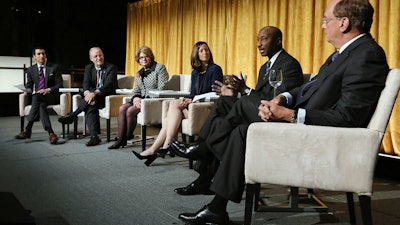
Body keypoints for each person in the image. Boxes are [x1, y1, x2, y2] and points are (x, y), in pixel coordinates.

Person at [172, 0, 389, 224]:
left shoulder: (366, 55)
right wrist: (282, 98)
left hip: (316, 137)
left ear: (343, 23)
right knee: (240, 129)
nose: (323, 26)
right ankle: (217, 208)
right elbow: (307, 88)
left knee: (243, 105)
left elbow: (348, 119)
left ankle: (204, 148)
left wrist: (288, 115)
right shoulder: (343, 54)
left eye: (326, 20)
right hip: (304, 124)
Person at [171, 26, 304, 196]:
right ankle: (203, 172)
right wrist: (236, 91)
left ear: (278, 41)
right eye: (257, 39)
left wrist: (246, 91)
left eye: (264, 39)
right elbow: (259, 97)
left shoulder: (289, 64)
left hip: (273, 119)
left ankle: (202, 149)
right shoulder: (265, 68)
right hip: (257, 113)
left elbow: (276, 102)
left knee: (226, 114)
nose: (259, 44)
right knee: (223, 105)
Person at [132, 41, 224, 166]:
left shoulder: (215, 69)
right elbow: (192, 94)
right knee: (174, 107)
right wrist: (187, 100)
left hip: (207, 108)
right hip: (194, 107)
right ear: (196, 54)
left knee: (173, 106)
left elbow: (216, 93)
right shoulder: (195, 72)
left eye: (207, 50)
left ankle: (162, 146)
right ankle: (160, 147)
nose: (205, 53)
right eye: (201, 50)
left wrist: (193, 100)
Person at [108, 46, 169, 149]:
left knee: (130, 111)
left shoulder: (159, 68)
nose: (144, 59)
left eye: (146, 56)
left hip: (154, 101)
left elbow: (161, 88)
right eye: (141, 58)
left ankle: (125, 137)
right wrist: (136, 97)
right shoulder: (139, 72)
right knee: (122, 108)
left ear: (151, 57)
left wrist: (143, 99)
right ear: (138, 60)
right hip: (141, 100)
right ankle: (121, 138)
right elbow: (136, 89)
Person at [58, 47, 118, 147]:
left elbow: (109, 84)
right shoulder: (88, 68)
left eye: (100, 55)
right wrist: (88, 94)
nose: (99, 58)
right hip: (93, 98)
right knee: (90, 106)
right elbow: (85, 83)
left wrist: (94, 93)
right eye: (96, 56)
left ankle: (73, 115)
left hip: (106, 97)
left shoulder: (111, 67)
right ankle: (94, 136)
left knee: (90, 100)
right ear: (91, 58)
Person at [15, 47, 63, 144]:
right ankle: (51, 133)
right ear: (34, 56)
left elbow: (60, 84)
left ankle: (28, 128)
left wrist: (48, 89)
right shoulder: (31, 70)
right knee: (41, 104)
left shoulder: (54, 67)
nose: (42, 56)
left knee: (36, 97)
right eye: (39, 54)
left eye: (43, 53)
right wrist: (26, 90)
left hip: (51, 96)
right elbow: (29, 85)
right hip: (39, 98)